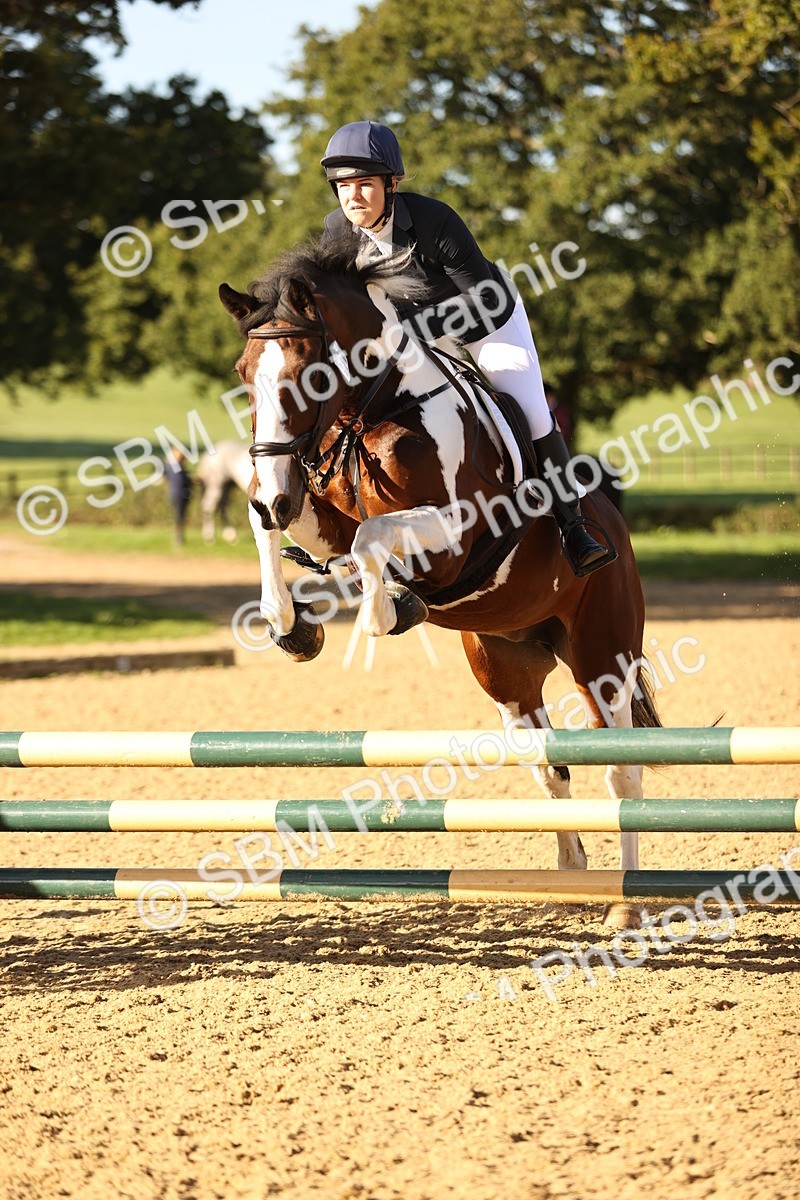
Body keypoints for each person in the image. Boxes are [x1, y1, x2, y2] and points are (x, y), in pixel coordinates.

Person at [319, 119, 613, 576]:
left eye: (364, 184)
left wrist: (420, 330)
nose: (352, 196)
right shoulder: (337, 232)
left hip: (488, 323)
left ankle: (574, 526)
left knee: (531, 410)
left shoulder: (435, 221)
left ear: (392, 185)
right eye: (343, 186)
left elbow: (486, 302)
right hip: (409, 339)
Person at [165, 448, 193, 547]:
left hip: (175, 494)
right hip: (180, 495)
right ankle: (178, 538)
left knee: (179, 516)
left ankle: (179, 537)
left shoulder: (171, 467)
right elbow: (184, 480)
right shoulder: (177, 468)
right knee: (179, 516)